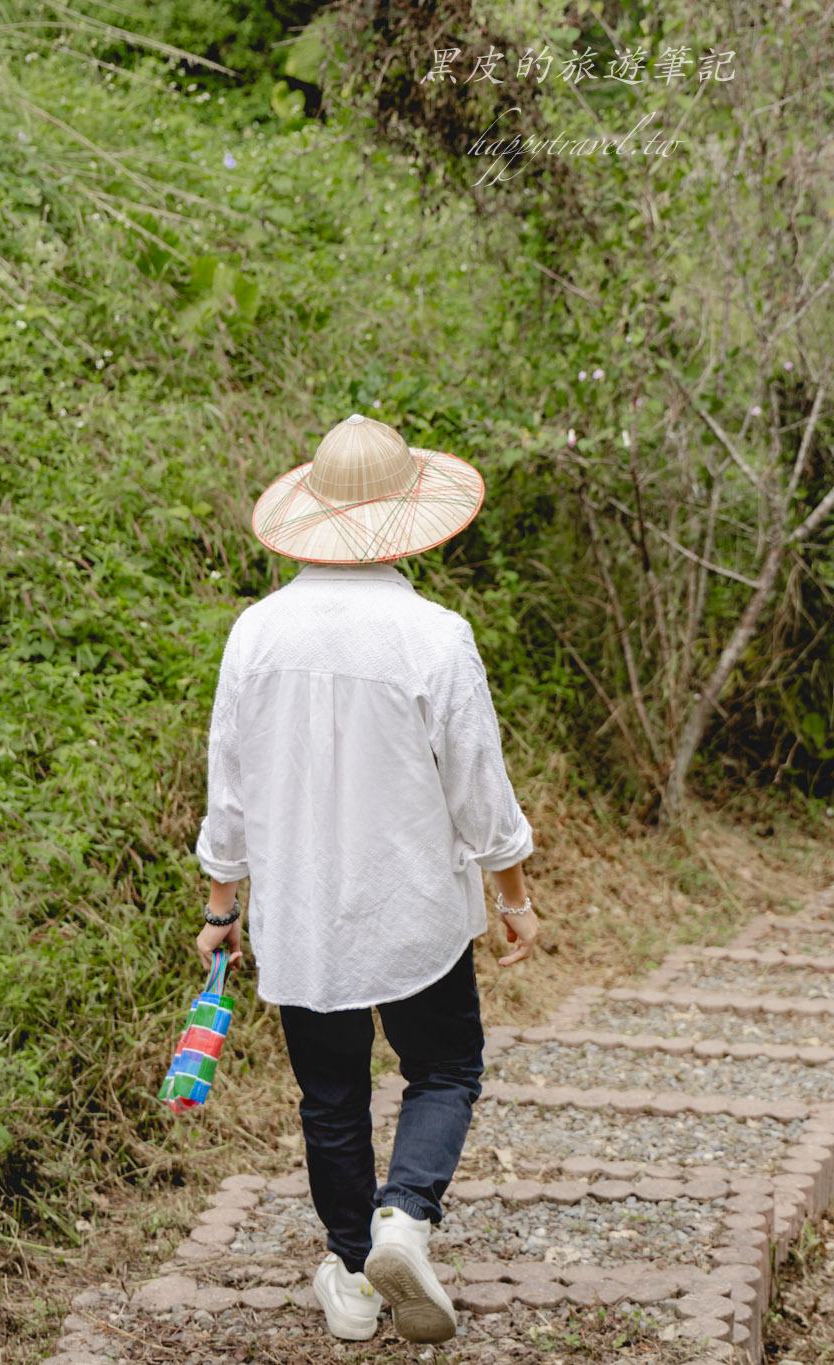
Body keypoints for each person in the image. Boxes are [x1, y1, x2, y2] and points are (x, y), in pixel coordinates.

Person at [191, 414, 541, 1345]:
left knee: (331, 1097)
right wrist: (513, 898)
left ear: (314, 512)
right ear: (403, 516)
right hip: (412, 905)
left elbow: (230, 787)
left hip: (302, 913)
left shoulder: (254, 633)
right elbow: (480, 789)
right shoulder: (433, 634)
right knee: (446, 1065)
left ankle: (351, 1270)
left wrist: (221, 907)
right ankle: (405, 1214)